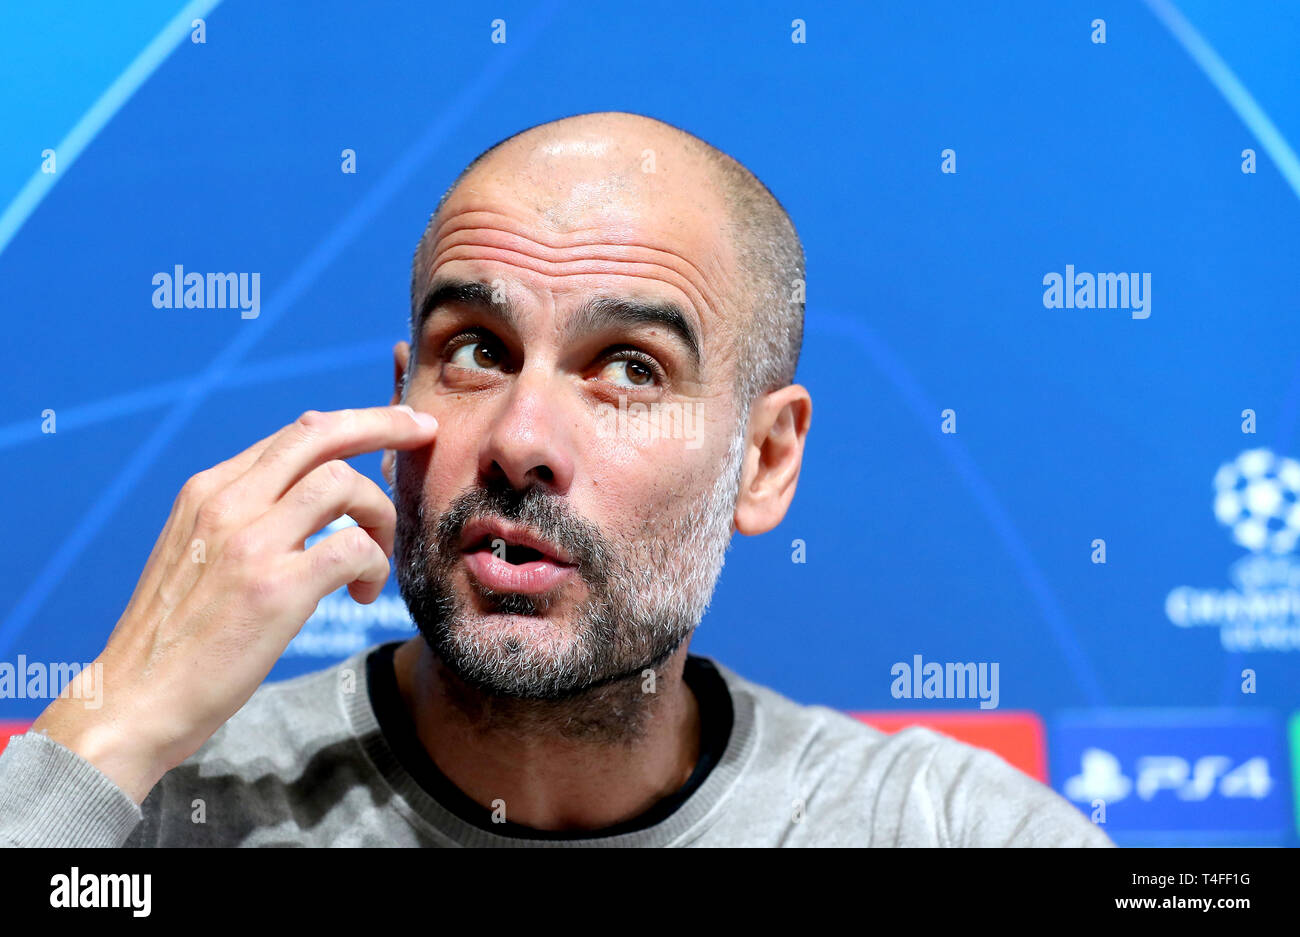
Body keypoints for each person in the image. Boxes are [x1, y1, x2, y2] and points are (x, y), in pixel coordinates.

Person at [0, 112, 1111, 847]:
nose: (521, 436)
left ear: (764, 461)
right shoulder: (155, 817)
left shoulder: (944, 828)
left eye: (629, 368)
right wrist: (111, 726)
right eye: (475, 350)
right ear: (400, 407)